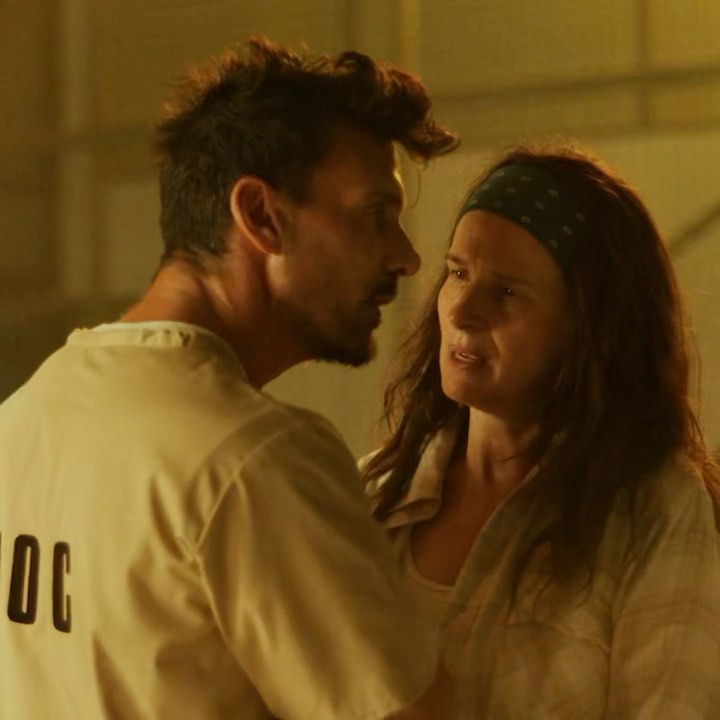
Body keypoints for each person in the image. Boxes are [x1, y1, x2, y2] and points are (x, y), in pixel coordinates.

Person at [0, 37, 459, 719]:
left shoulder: (23, 419)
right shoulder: (256, 457)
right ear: (262, 216)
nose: (407, 257)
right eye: (375, 216)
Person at [362, 143, 720, 718]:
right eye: (458, 273)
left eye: (507, 292)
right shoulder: (373, 494)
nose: (462, 311)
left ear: (586, 325)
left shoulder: (651, 508)